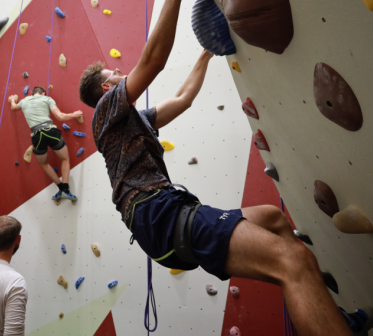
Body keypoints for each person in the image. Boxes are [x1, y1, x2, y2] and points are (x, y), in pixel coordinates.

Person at [78, 1, 357, 335]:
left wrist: (206, 53)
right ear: (107, 89)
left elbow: (183, 99)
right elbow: (153, 60)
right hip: (158, 214)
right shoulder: (106, 112)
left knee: (273, 218)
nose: (123, 75)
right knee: (292, 262)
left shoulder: (133, 120)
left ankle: (329, 319)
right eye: (116, 75)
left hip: (164, 217)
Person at [9, 86, 83, 202]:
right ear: (43, 93)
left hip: (36, 136)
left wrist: (12, 100)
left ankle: (60, 188)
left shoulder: (23, 101)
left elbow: (13, 107)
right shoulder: (47, 99)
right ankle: (66, 189)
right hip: (50, 132)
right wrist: (74, 114)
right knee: (64, 159)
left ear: (33, 94)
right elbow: (60, 116)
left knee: (44, 164)